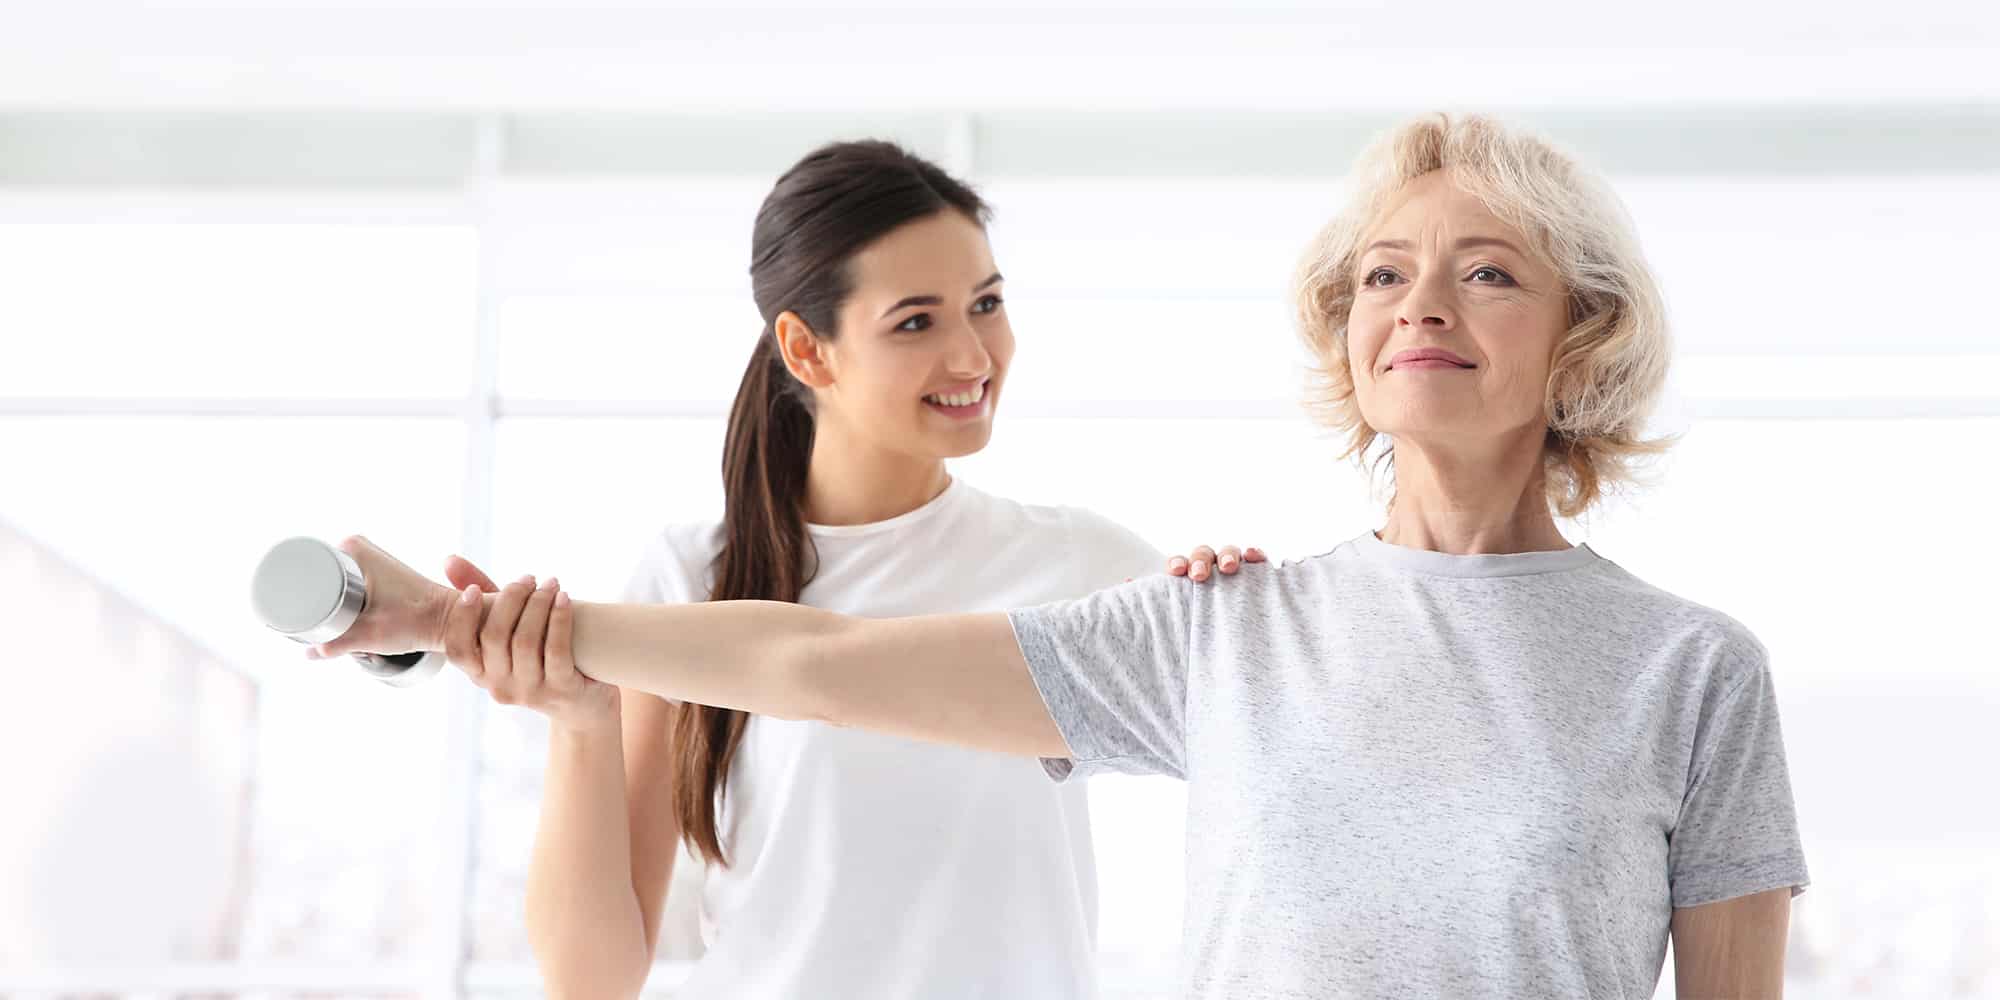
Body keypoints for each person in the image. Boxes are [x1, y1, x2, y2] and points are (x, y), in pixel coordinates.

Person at [323, 113, 1808, 999]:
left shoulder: (1692, 671)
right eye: (1383, 275)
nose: (1423, 305)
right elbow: (809, 656)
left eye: (1489, 274)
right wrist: (481, 627)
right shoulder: (1224, 632)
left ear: (1581, 339)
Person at [389, 139, 1251, 999]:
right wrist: (580, 721)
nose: (974, 357)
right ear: (806, 350)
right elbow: (593, 979)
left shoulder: (1078, 560)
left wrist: (1233, 608)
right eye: (917, 321)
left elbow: (1256, 732)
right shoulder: (692, 575)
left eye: (985, 304)